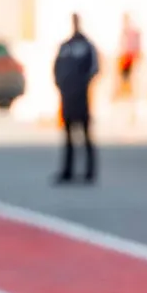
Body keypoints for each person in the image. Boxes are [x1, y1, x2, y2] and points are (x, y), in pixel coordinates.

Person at [53, 13, 99, 184]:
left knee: (86, 134)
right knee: (68, 136)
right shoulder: (65, 46)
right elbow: (56, 68)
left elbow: (94, 68)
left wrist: (82, 84)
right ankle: (68, 171)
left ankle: (89, 172)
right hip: (67, 97)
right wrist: (62, 86)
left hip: (82, 97)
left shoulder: (87, 46)